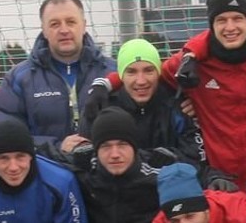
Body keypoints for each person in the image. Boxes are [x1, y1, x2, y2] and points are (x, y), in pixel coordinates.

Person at [157, 0, 246, 186]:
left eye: (237, 18)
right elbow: (149, 76)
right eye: (221, 20)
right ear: (211, 25)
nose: (230, 27)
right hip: (220, 184)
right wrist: (181, 102)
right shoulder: (192, 62)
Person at [0, 0, 117, 152]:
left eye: (71, 22)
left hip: (106, 168)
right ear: (44, 30)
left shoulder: (113, 72)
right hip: (46, 170)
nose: (64, 30)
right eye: (55, 24)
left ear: (84, 26)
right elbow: (1, 132)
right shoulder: (19, 78)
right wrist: (55, 147)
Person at [78, 37, 208, 168]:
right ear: (121, 76)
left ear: (158, 73)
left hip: (168, 184)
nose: (141, 81)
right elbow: (86, 159)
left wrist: (172, 158)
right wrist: (148, 159)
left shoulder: (180, 105)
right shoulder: (100, 106)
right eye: (131, 72)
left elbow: (195, 157)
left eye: (148, 70)